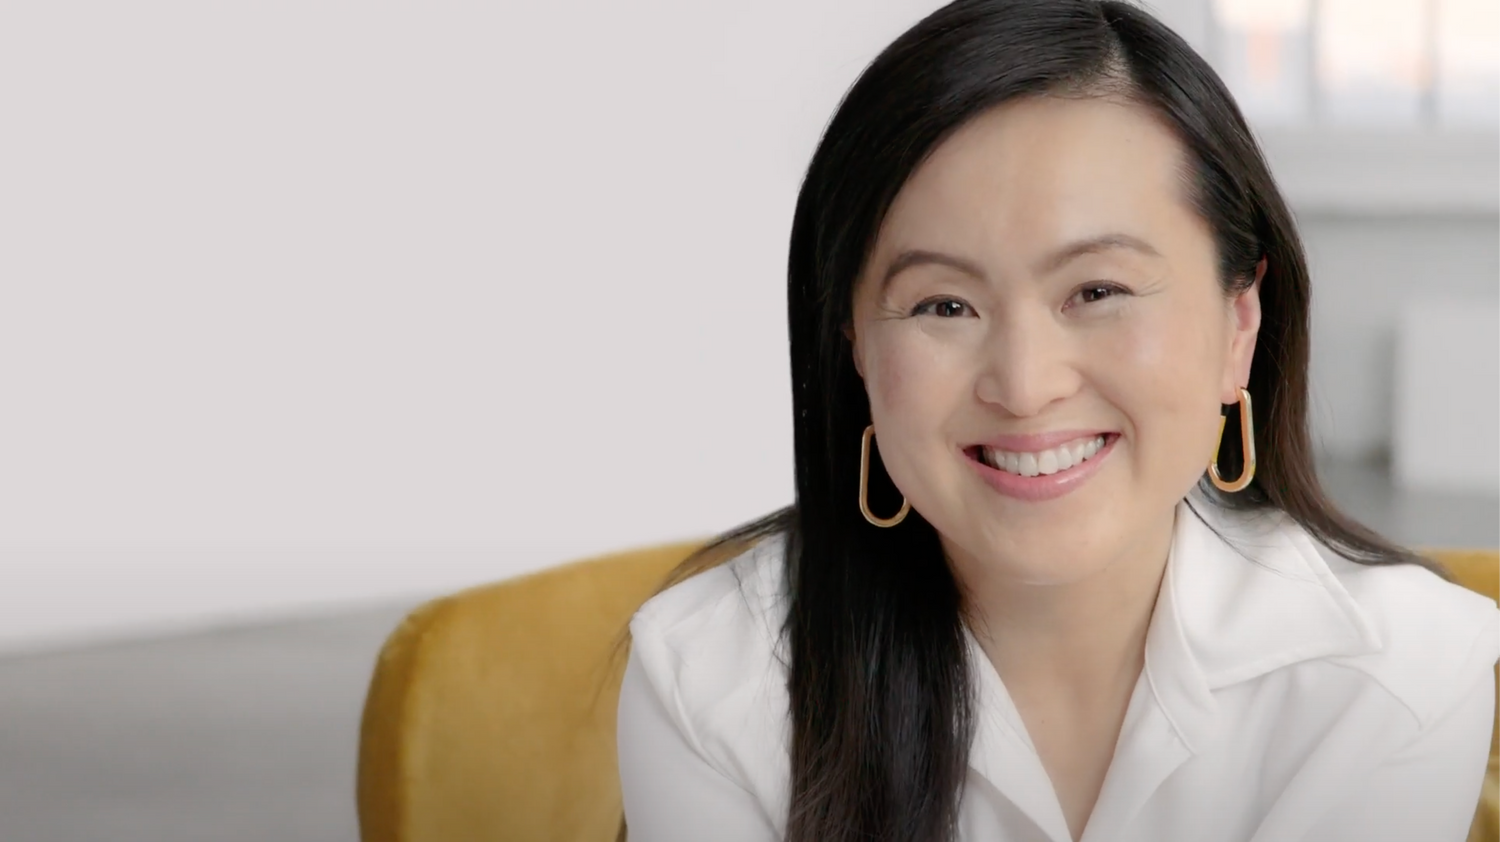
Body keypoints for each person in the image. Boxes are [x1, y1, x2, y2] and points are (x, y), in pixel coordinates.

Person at [613, 1, 1500, 840]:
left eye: (1098, 291)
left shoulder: (1398, 673)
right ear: (852, 341)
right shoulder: (713, 676)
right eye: (943, 306)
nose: (1025, 385)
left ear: (1240, 326)